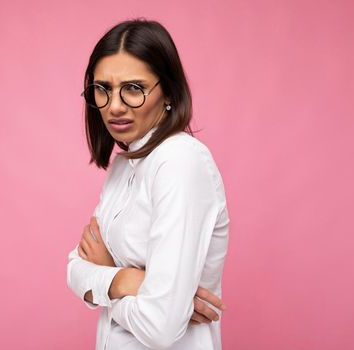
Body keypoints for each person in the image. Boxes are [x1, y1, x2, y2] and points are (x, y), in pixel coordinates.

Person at [67, 18, 230, 350]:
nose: (114, 106)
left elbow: (160, 327)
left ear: (167, 90)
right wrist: (125, 279)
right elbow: (74, 267)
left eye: (134, 88)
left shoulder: (180, 163)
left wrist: (106, 280)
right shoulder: (123, 166)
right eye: (103, 89)